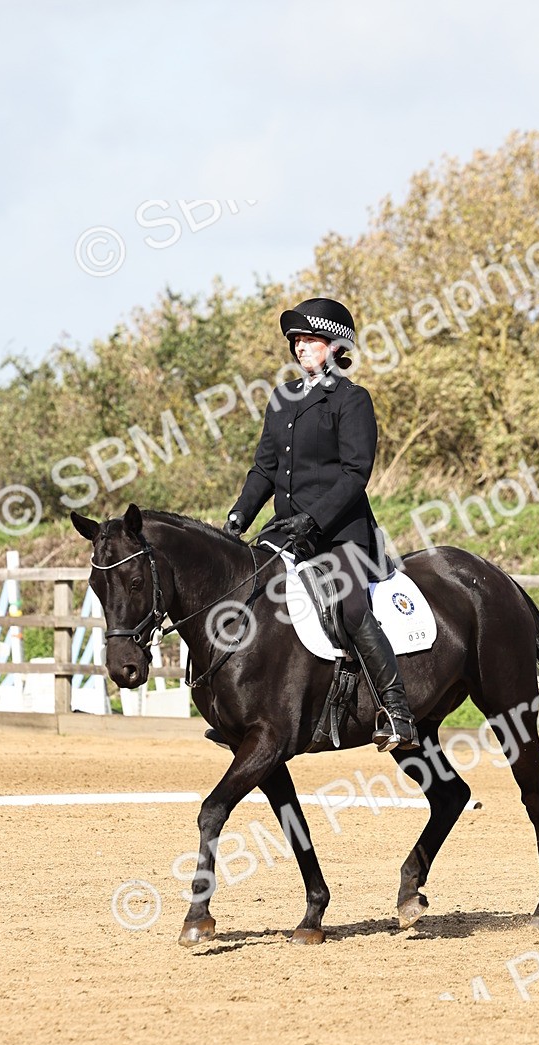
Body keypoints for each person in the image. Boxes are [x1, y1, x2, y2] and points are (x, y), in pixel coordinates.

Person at [223, 297, 419, 752]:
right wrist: (239, 515)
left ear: (334, 345)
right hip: (287, 529)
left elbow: (356, 474)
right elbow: (264, 470)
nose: (299, 347)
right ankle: (243, 707)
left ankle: (397, 709)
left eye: (309, 339)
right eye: (296, 340)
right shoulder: (282, 399)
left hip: (340, 534)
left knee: (349, 608)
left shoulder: (351, 400)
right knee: (246, 590)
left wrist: (313, 519)